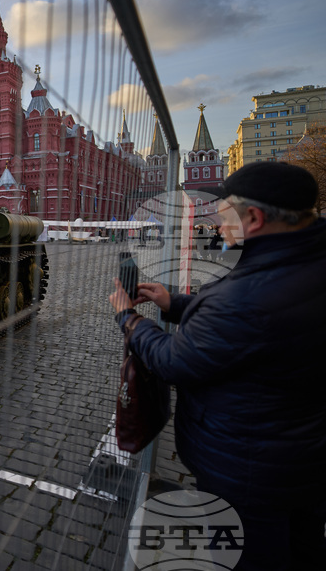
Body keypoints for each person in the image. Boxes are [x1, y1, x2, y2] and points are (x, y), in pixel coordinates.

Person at [108, 161, 325, 570]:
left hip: (248, 468)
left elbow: (175, 361)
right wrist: (174, 303)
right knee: (303, 546)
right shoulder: (303, 260)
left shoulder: (250, 295)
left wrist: (128, 319)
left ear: (255, 219)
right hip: (299, 453)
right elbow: (249, 325)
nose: (218, 227)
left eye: (224, 217)